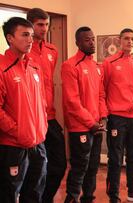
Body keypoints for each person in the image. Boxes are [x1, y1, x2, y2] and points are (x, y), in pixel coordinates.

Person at [0, 17, 48, 203]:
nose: (31, 40)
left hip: (38, 144)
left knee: (35, 193)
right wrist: (19, 132)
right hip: (14, 146)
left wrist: (41, 129)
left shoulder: (34, 67)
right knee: (9, 195)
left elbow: (41, 102)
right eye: (25, 35)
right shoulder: (2, 68)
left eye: (31, 36)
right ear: (10, 38)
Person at [103, 28, 133, 203]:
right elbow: (104, 89)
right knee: (115, 159)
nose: (129, 42)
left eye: (132, 39)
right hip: (117, 117)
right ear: (119, 41)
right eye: (126, 38)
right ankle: (114, 196)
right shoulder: (109, 63)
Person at [62, 26, 108, 203]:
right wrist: (91, 123)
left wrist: (102, 117)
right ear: (78, 43)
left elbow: (101, 95)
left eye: (93, 39)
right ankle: (72, 198)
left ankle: (88, 198)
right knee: (80, 166)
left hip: (96, 125)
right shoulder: (70, 65)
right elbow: (72, 102)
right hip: (80, 126)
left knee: (93, 166)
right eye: (87, 39)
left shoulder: (97, 67)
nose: (92, 42)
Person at [27, 8, 67, 202]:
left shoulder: (53, 50)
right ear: (31, 25)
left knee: (59, 164)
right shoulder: (24, 50)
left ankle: (46, 198)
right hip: (32, 119)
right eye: (40, 25)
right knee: (35, 169)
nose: (44, 29)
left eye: (47, 24)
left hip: (50, 117)